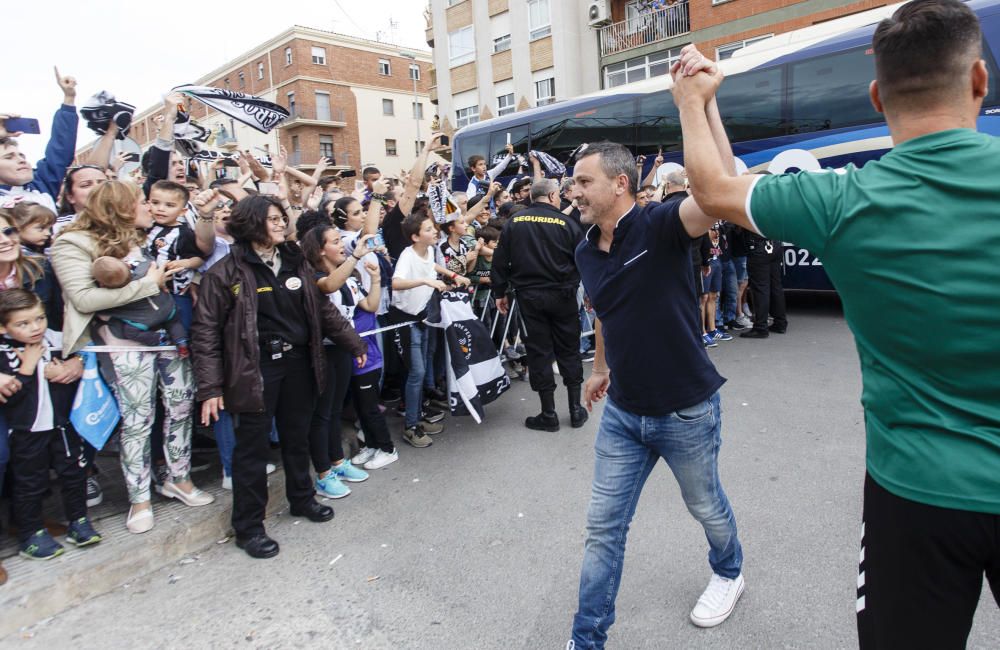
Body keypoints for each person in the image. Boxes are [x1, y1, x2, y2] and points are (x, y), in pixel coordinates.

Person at [669, 2, 1000, 644]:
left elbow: (710, 189)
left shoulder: (841, 201)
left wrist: (692, 97)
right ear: (979, 81)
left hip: (915, 492)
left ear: (877, 97)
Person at [568, 142, 745, 648]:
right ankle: (587, 639)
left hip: (686, 410)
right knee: (603, 529)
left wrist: (698, 106)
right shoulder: (584, 250)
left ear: (619, 183)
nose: (573, 191)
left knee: (705, 506)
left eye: (584, 182)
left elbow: (718, 194)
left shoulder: (662, 224)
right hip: (623, 413)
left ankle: (729, 571)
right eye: (573, 182)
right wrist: (599, 367)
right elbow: (604, 311)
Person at [192, 195, 367, 559]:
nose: (279, 223)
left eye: (280, 217)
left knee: (297, 438)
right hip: (254, 371)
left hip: (298, 365)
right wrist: (209, 387)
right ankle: (249, 528)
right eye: (271, 218)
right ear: (251, 223)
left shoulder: (294, 262)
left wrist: (351, 342)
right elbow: (205, 332)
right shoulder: (224, 273)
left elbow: (321, 310)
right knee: (251, 452)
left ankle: (302, 499)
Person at [51, 181, 214, 535]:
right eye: (143, 201)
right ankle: (139, 499)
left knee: (181, 407)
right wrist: (149, 285)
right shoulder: (71, 243)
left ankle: (179, 478)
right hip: (122, 345)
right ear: (121, 208)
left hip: (167, 339)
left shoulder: (142, 238)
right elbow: (83, 299)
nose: (150, 207)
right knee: (138, 420)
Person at [0, 289, 102, 560]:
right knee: (29, 482)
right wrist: (27, 369)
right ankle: (30, 533)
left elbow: (86, 347)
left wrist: (75, 361)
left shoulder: (55, 339)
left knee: (74, 472)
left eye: (40, 319)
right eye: (23, 323)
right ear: (3, 326)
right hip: (27, 430)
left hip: (62, 424)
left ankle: (78, 520)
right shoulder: (4, 352)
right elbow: (11, 395)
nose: (35, 328)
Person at [301, 224, 398, 472]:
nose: (342, 246)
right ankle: (334, 465)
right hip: (326, 350)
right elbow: (329, 286)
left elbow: (370, 304)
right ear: (320, 251)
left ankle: (366, 453)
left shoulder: (352, 277)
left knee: (351, 407)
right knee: (331, 411)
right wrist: (355, 255)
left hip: (351, 350)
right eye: (335, 242)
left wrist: (375, 279)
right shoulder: (314, 276)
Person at [491, 178, 587, 432]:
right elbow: (584, 259)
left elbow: (500, 260)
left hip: (530, 297)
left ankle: (548, 413)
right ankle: (576, 410)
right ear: (554, 195)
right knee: (569, 348)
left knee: (539, 352)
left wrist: (499, 292)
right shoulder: (567, 223)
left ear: (534, 197)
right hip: (563, 295)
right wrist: (591, 291)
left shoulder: (514, 223)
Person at [390, 211, 469, 448]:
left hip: (424, 316)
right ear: (415, 237)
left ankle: (419, 417)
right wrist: (427, 281)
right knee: (417, 372)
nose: (435, 231)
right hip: (407, 319)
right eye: (428, 229)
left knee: (422, 371)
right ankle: (411, 426)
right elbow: (396, 282)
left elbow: (431, 265)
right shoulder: (407, 254)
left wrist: (452, 274)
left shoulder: (430, 250)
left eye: (433, 227)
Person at [0, 68, 79, 212]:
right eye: (9, 157)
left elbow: (60, 151)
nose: (21, 160)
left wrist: (69, 99)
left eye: (21, 155)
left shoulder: (41, 186)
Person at [90, 256, 189, 355]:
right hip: (167, 307)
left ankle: (159, 339)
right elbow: (150, 262)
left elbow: (101, 308)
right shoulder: (144, 270)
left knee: (130, 332)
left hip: (146, 319)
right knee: (174, 323)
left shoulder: (115, 295)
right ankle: (182, 343)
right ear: (127, 264)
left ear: (102, 284)